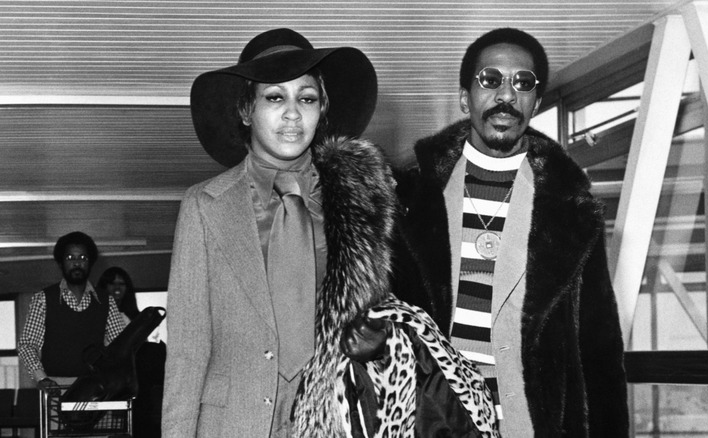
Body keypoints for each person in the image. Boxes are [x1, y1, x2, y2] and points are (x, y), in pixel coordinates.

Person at [162, 28, 497, 438]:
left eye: (306, 98)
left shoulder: (362, 199)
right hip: (232, 424)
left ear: (322, 110)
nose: (291, 113)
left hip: (337, 419)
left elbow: (402, 321)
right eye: (274, 97)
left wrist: (379, 344)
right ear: (246, 110)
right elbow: (187, 355)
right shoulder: (204, 206)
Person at [392, 28, 629, 436]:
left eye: (523, 83)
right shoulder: (408, 200)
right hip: (431, 422)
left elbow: (600, 352)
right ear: (466, 97)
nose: (506, 94)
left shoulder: (574, 214)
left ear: (535, 102)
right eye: (490, 79)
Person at [18, 231, 126, 388]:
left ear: (90, 263)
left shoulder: (106, 301)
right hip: (55, 386)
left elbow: (120, 345)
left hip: (95, 387)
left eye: (83, 258)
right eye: (70, 258)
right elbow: (27, 345)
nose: (77, 263)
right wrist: (42, 378)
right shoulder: (43, 299)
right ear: (61, 263)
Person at [97, 266, 166, 438]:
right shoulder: (96, 316)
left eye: (122, 284)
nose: (117, 288)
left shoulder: (135, 318)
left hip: (135, 381)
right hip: (107, 380)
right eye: (112, 283)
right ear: (104, 287)